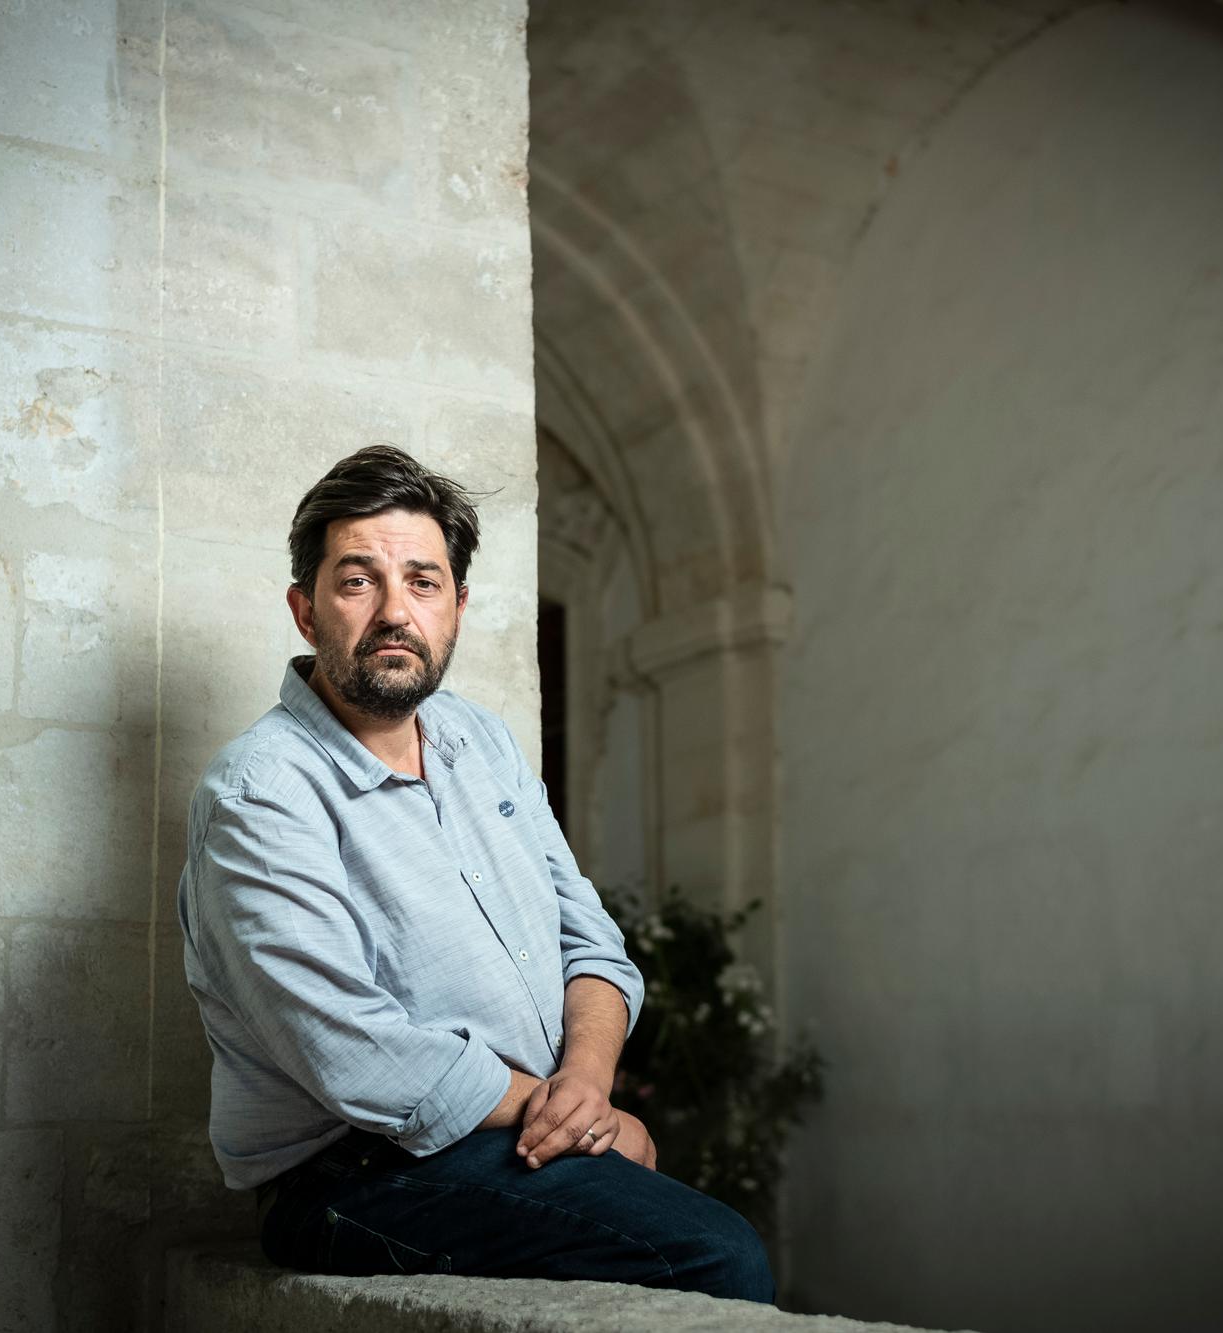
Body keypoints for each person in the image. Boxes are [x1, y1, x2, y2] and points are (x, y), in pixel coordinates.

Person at [175, 445, 774, 1303]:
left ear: (456, 606)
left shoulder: (480, 742)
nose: (394, 611)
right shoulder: (260, 792)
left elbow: (591, 940)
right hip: (351, 1176)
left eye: (423, 581)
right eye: (357, 581)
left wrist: (588, 1084)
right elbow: (353, 1054)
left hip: (509, 1135)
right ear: (305, 612)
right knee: (717, 1253)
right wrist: (571, 1117)